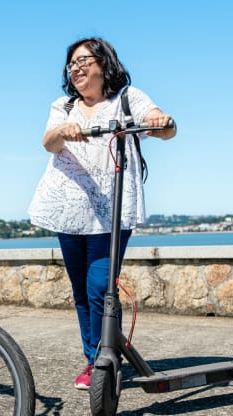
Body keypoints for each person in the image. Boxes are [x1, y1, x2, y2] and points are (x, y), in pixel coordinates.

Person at [28, 37, 176, 390]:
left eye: (83, 61)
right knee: (81, 291)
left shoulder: (127, 98)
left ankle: (105, 362)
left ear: (103, 63)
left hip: (110, 209)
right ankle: (94, 358)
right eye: (71, 64)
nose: (76, 68)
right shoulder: (63, 106)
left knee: (100, 288)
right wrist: (62, 130)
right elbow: (48, 141)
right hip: (68, 209)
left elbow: (165, 128)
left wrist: (159, 120)